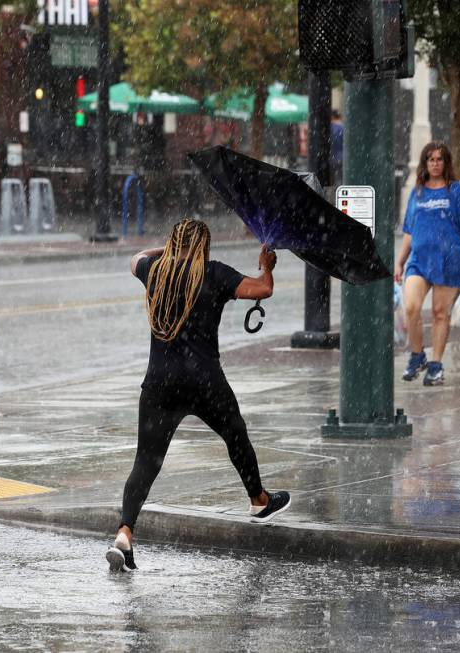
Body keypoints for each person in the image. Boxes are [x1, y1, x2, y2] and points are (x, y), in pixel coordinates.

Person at [106, 218, 291, 572]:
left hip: (159, 382)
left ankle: (125, 532)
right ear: (203, 246)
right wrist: (266, 266)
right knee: (235, 434)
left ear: (174, 244)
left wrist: (167, 250)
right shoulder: (215, 273)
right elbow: (263, 290)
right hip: (204, 380)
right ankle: (258, 499)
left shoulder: (154, 271)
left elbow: (134, 258)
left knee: (145, 461)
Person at [394, 142, 460, 387]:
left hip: (450, 260)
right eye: (430, 159)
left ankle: (436, 365)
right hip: (419, 261)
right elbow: (410, 230)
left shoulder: (457, 191)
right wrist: (400, 261)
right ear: (425, 163)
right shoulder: (418, 192)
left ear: (446, 163)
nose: (435, 163)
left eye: (439, 159)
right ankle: (417, 354)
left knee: (440, 313)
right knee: (411, 307)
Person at [330, 110, 344, 186]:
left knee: (334, 180)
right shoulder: (344, 127)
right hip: (343, 157)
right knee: (341, 179)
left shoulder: (330, 128)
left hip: (332, 157)